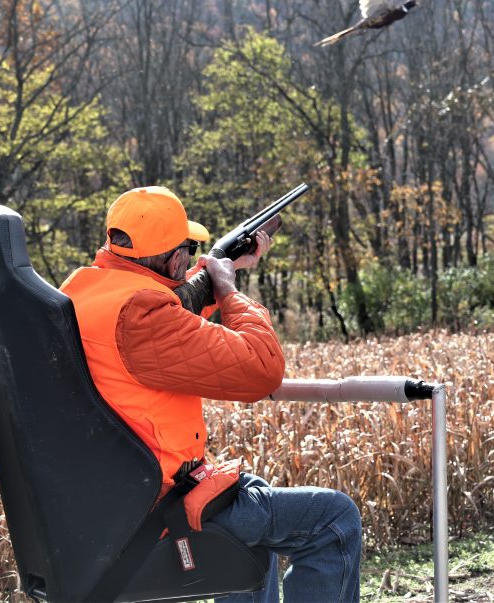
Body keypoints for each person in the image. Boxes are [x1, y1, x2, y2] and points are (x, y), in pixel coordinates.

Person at [60, 185, 361, 603]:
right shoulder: (143, 314)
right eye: (187, 247)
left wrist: (219, 270)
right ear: (174, 256)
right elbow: (262, 370)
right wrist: (228, 291)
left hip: (113, 506)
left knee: (245, 492)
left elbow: (166, 326)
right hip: (159, 514)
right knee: (334, 519)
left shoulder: (82, 291)